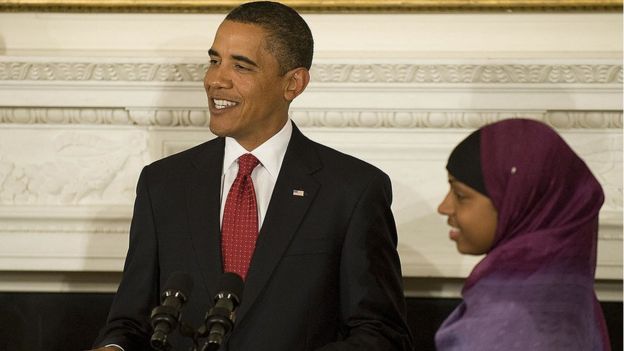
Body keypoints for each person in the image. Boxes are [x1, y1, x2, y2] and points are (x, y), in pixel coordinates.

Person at [91, 2, 413, 350]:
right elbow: (128, 323)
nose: (216, 79)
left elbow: (381, 335)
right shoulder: (162, 184)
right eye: (214, 61)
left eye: (240, 66)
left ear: (293, 83)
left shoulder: (353, 191)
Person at [435, 118, 610, 350]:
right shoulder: (568, 300)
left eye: (460, 194)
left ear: (517, 203)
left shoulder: (506, 322)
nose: (443, 207)